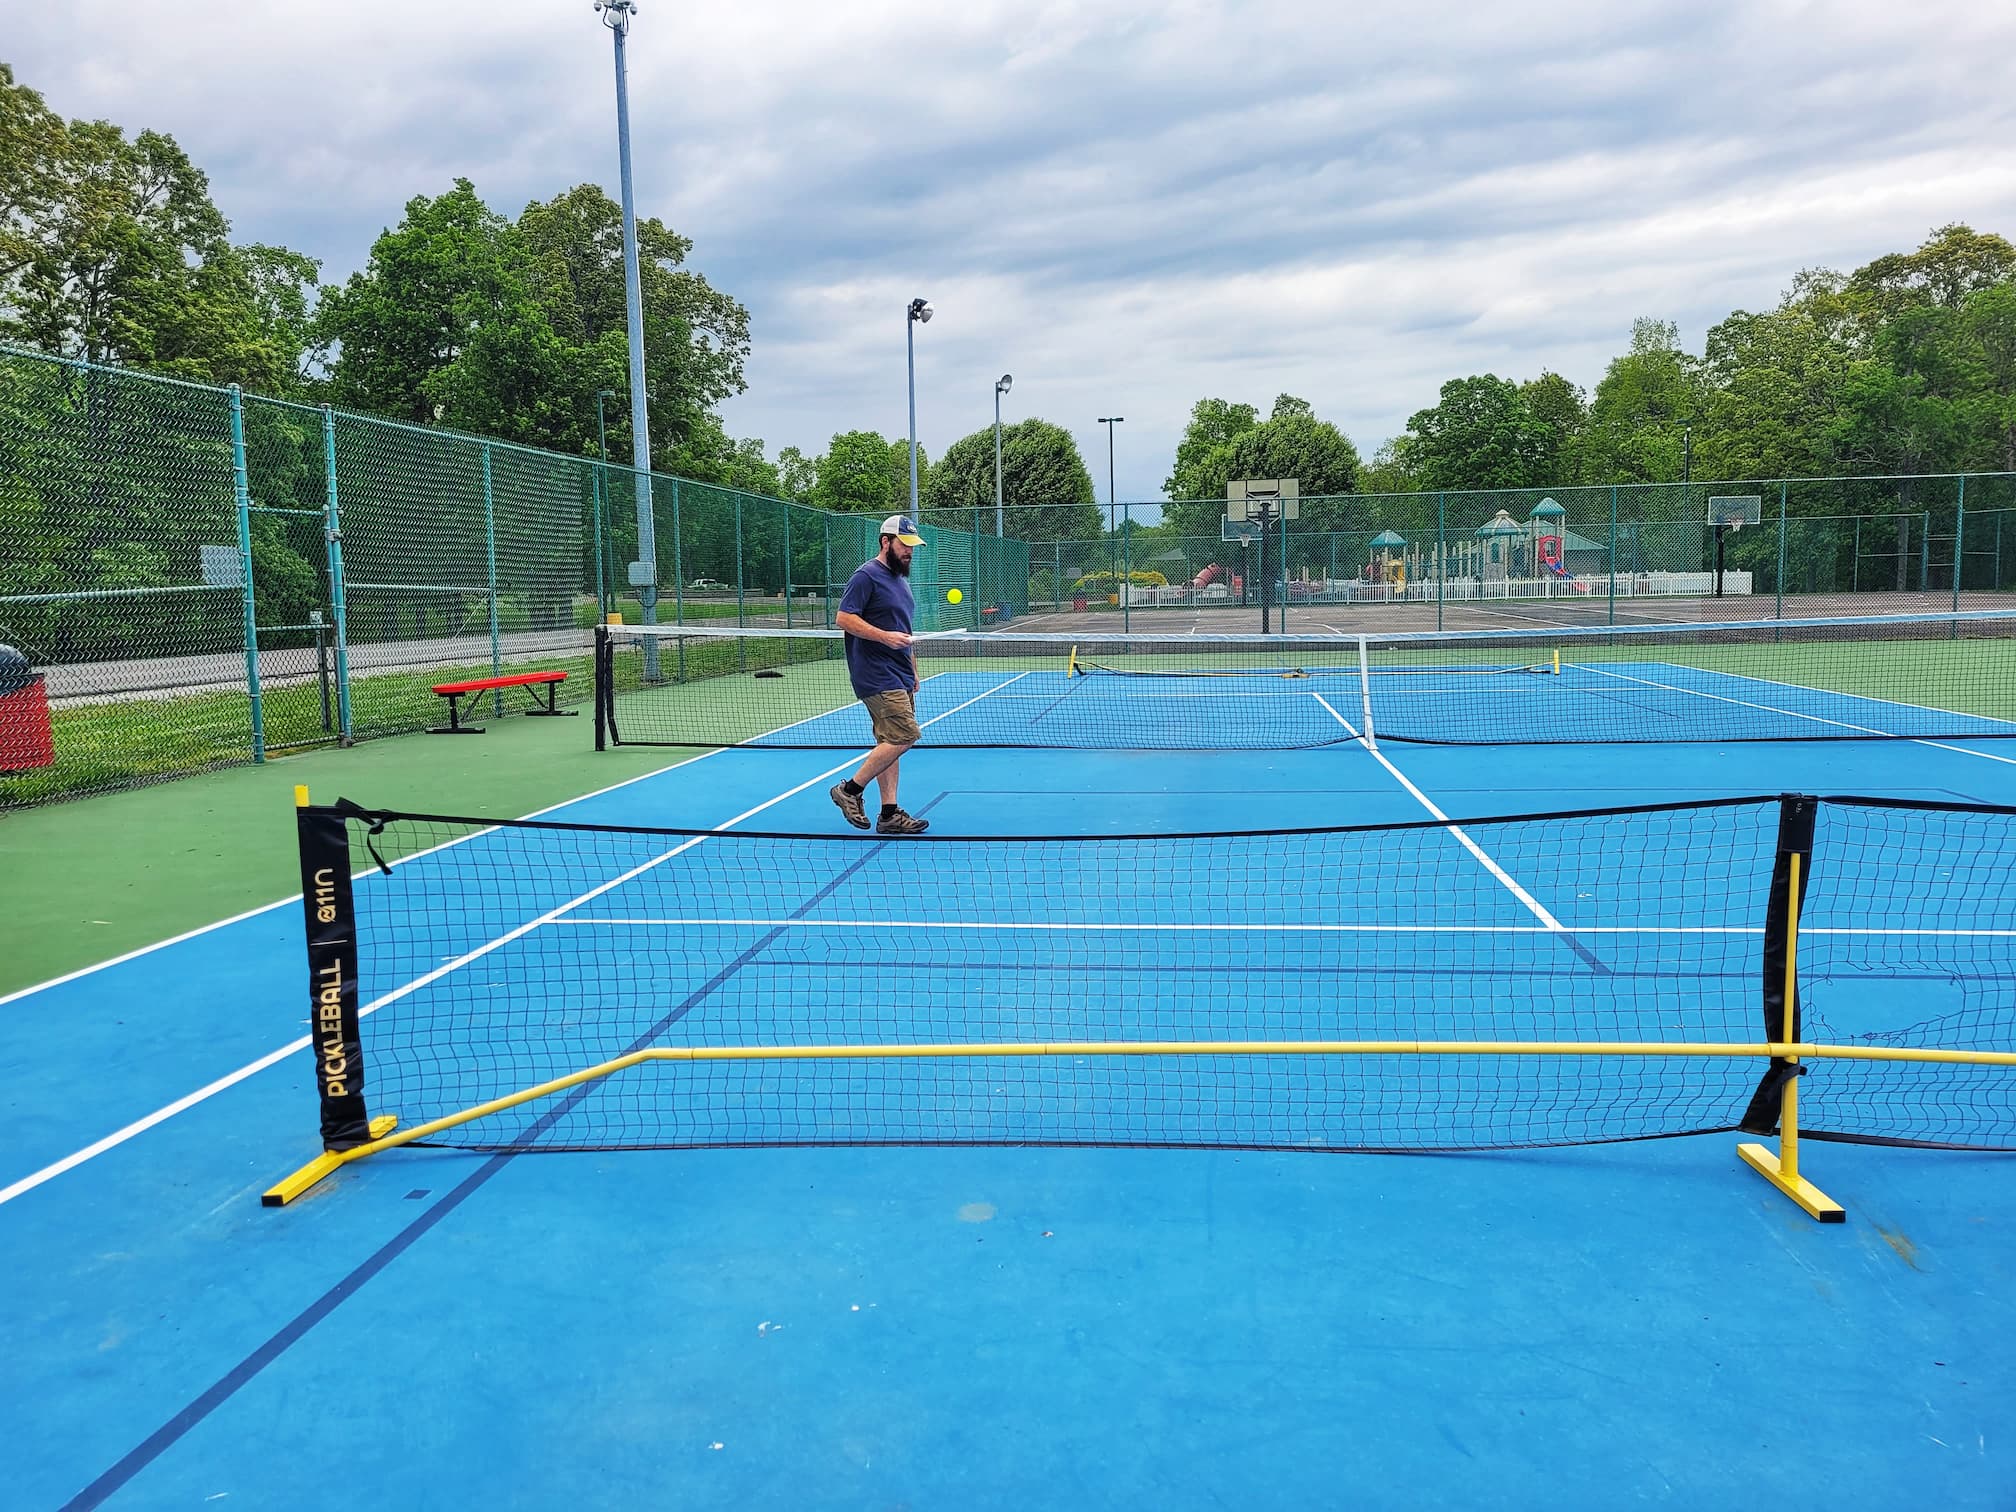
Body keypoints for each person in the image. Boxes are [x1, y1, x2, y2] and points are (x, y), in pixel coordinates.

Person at [829, 514, 930, 834]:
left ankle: (889, 814)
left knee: (889, 740)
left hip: (899, 674)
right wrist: (884, 637)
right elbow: (844, 618)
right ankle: (850, 791)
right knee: (905, 735)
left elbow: (904, 631)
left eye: (913, 546)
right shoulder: (866, 576)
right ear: (886, 542)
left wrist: (912, 669)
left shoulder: (901, 581)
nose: (910, 551)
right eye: (905, 544)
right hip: (875, 673)